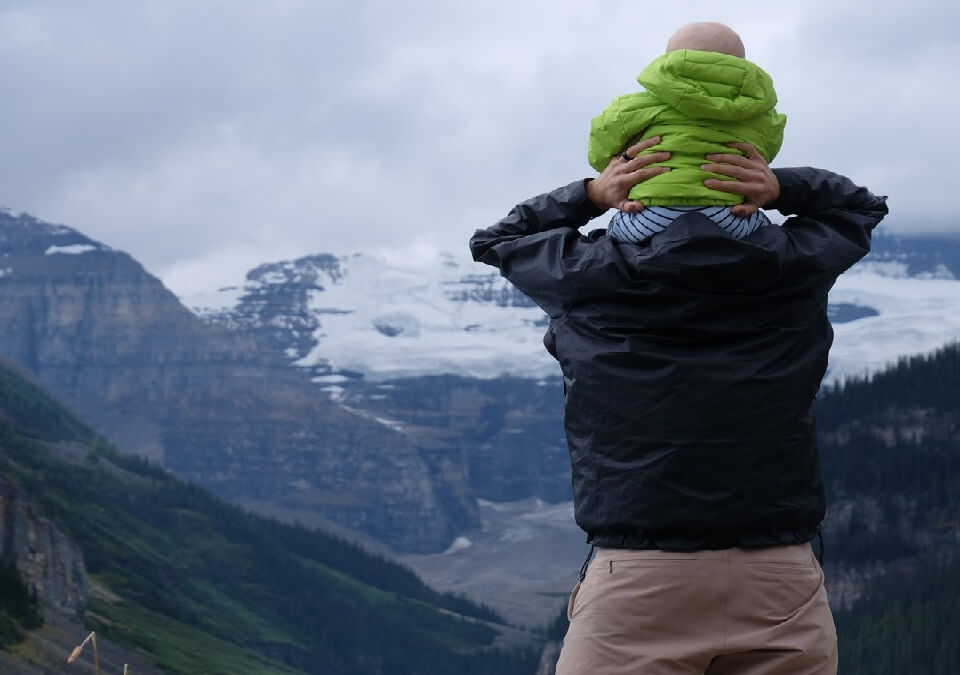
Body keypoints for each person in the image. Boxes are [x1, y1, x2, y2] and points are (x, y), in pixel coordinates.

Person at [469, 134, 888, 670]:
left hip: (639, 583)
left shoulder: (585, 276)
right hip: (778, 580)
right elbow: (858, 208)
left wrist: (590, 194)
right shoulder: (792, 268)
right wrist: (782, 188)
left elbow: (497, 239)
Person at [589, 22, 786, 244]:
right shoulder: (758, 114)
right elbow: (766, 152)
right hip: (731, 216)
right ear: (741, 65)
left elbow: (599, 151)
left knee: (613, 233)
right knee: (766, 227)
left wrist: (599, 185)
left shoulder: (633, 107)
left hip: (647, 214)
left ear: (667, 61)